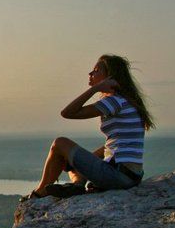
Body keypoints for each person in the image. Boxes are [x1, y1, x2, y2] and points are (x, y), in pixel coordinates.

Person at [23, 54, 155, 200]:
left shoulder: (115, 101)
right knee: (75, 160)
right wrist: (80, 161)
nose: (90, 74)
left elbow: (67, 113)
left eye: (96, 70)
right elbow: (111, 147)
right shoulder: (125, 101)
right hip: (130, 177)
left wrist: (95, 89)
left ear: (109, 76)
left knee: (59, 143)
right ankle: (77, 185)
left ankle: (39, 193)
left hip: (118, 176)